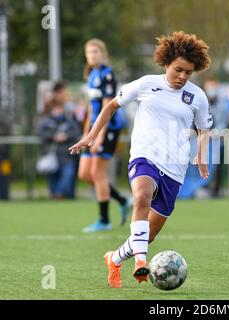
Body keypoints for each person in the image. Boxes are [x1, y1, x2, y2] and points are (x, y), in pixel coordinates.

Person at [69, 31, 212, 287]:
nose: (182, 76)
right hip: (144, 156)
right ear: (166, 62)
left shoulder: (197, 96)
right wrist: (91, 136)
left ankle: (114, 258)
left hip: (175, 167)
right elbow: (112, 105)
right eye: (178, 69)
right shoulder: (146, 84)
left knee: (150, 234)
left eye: (188, 72)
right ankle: (140, 264)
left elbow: (204, 128)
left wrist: (201, 155)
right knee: (142, 195)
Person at [79, 39, 132, 233]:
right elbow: (90, 108)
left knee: (97, 173)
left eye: (96, 52)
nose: (92, 55)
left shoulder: (108, 74)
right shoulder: (91, 75)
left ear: (103, 54)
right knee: (84, 173)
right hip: (93, 129)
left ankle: (104, 220)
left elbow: (107, 106)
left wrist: (99, 135)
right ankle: (122, 200)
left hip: (107, 129)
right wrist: (86, 132)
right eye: (89, 52)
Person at [37, 81, 81, 199]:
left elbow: (76, 131)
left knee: (68, 176)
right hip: (51, 153)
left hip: (67, 153)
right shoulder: (46, 117)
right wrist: (53, 136)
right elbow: (41, 132)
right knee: (53, 179)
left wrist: (65, 136)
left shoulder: (69, 115)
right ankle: (56, 196)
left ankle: (61, 195)